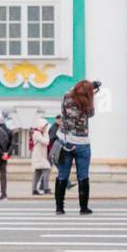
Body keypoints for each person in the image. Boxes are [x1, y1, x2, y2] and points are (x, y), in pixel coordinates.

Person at [54, 80, 98, 215]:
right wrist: (92, 92)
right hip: (82, 144)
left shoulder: (66, 97)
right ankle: (83, 208)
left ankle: (59, 208)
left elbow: (73, 90)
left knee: (62, 175)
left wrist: (88, 86)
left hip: (65, 142)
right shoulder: (87, 104)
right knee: (83, 176)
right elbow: (91, 114)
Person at [29, 112, 51, 196]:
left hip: (41, 156)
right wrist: (46, 134)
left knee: (37, 172)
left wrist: (45, 133)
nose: (46, 128)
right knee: (47, 168)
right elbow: (46, 142)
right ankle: (45, 188)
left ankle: (34, 190)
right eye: (45, 126)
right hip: (38, 156)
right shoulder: (37, 133)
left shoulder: (40, 133)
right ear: (41, 126)